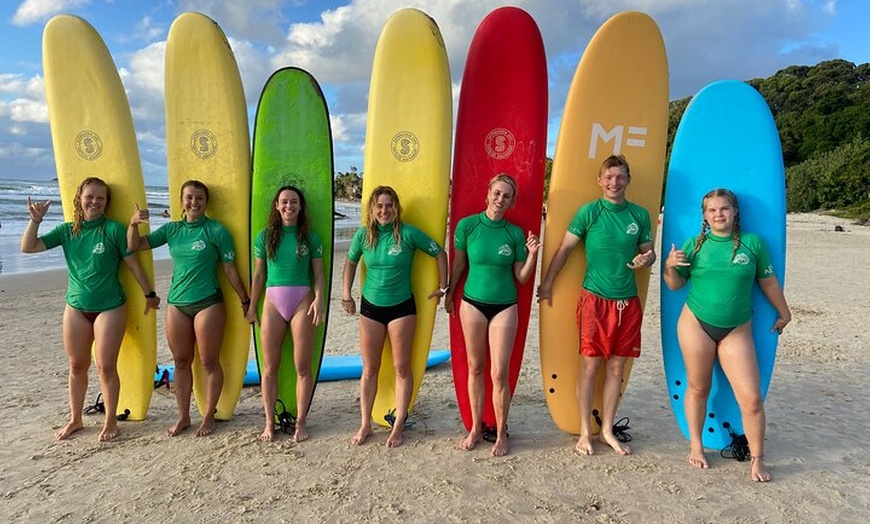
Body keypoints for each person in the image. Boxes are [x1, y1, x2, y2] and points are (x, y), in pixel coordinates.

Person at [663, 188, 790, 482]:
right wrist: (669, 267)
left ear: (735, 212)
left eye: (724, 209)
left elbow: (768, 283)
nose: (719, 214)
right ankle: (696, 445)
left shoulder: (752, 244)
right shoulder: (694, 246)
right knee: (698, 387)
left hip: (737, 330)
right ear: (705, 217)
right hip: (696, 324)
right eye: (712, 210)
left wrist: (785, 312)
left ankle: (757, 460)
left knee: (752, 399)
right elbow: (674, 285)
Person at [21, 177, 160, 441]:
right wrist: (35, 221)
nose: (94, 202)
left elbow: (133, 265)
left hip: (110, 307)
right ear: (79, 199)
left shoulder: (114, 230)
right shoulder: (67, 231)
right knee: (76, 365)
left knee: (105, 366)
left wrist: (149, 293)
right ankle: (75, 419)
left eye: (100, 198)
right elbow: (29, 247)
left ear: (107, 203)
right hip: (75, 307)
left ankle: (110, 421)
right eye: (90, 197)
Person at [538, 154, 655, 456]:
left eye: (620, 177)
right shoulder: (589, 213)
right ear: (600, 181)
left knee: (616, 367)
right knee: (590, 367)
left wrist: (647, 258)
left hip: (627, 302)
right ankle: (584, 432)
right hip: (594, 301)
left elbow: (648, 253)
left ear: (628, 180)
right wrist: (548, 283)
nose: (614, 182)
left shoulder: (639, 216)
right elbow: (564, 250)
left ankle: (606, 430)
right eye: (609, 177)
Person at [128, 180, 249, 437]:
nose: (194, 202)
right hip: (177, 304)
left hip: (209, 304)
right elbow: (135, 246)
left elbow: (230, 269)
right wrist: (132, 224)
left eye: (199, 198)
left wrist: (245, 300)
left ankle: (208, 415)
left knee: (208, 361)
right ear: (181, 201)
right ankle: (183, 416)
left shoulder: (216, 231)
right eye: (189, 198)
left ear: (206, 202)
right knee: (181, 361)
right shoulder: (172, 230)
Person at [341, 185, 448, 448]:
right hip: (370, 309)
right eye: (379, 205)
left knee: (402, 368)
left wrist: (444, 286)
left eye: (389, 205)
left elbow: (439, 252)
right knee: (370, 369)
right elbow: (350, 263)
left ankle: (398, 425)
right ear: (372, 209)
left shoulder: (408, 234)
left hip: (402, 308)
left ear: (396, 208)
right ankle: (365, 423)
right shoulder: (364, 236)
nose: (384, 210)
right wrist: (347, 294)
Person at [444, 173, 540, 457]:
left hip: (505, 306)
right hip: (471, 303)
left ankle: (500, 432)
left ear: (511, 202)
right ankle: (475, 428)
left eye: (506, 196)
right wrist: (449, 294)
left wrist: (532, 254)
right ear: (487, 194)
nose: (500, 199)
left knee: (499, 373)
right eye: (497, 193)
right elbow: (459, 265)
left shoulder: (514, 233)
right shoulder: (467, 226)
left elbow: (522, 278)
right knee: (475, 367)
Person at [246, 186, 325, 443]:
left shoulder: (311, 238)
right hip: (271, 302)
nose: (289, 206)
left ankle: (301, 422)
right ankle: (269, 422)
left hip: (302, 301)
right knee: (269, 367)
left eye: (293, 202)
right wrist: (251, 306)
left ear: (300, 207)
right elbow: (258, 276)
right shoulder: (265, 237)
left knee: (302, 366)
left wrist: (319, 300)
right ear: (276, 206)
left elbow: (319, 275)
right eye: (284, 202)